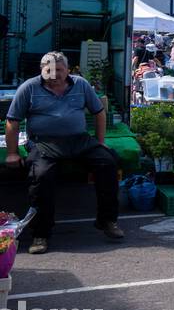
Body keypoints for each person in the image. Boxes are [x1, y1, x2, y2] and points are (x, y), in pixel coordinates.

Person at [4, 52, 124, 254]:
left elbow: (99, 112)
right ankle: (40, 234)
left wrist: (101, 142)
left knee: (108, 162)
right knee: (41, 176)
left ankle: (107, 221)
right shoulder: (29, 88)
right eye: (48, 69)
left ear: (68, 70)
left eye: (58, 70)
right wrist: (12, 153)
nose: (53, 74)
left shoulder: (81, 84)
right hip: (44, 142)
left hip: (78, 140)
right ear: (41, 70)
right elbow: (12, 121)